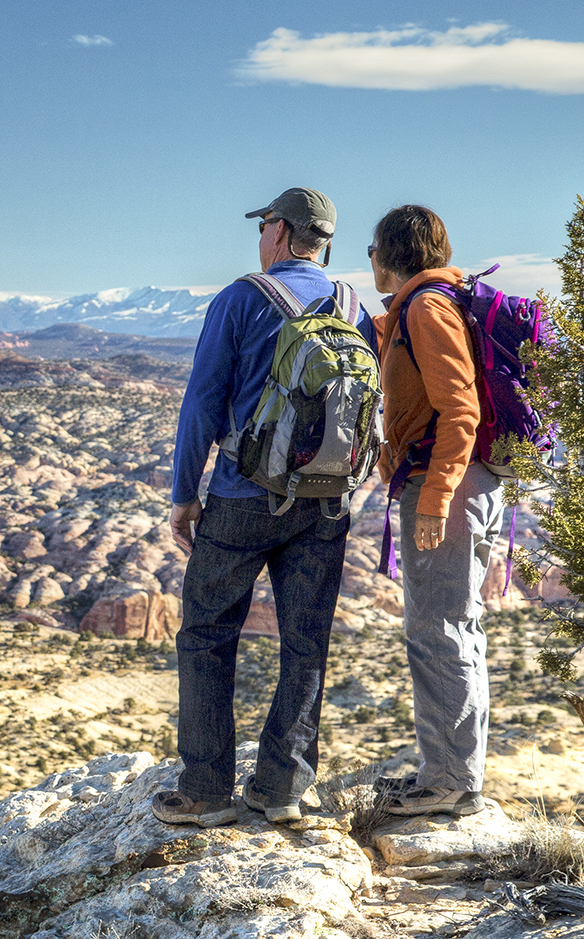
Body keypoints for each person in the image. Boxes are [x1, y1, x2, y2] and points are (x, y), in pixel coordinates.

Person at [152, 188, 355, 826]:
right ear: (322, 241)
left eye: (263, 225)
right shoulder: (352, 305)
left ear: (279, 231)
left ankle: (206, 790)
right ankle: (282, 788)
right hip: (326, 501)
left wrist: (184, 495)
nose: (259, 237)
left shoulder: (244, 298)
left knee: (208, 636)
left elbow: (202, 403)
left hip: (243, 497)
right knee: (306, 642)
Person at [366, 205, 499, 817]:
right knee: (456, 629)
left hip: (449, 487)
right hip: (468, 483)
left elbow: (461, 409)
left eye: (371, 249)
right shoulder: (425, 305)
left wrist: (435, 499)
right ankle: (453, 773)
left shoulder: (426, 308)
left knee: (437, 631)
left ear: (388, 253)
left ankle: (446, 782)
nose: (367, 260)